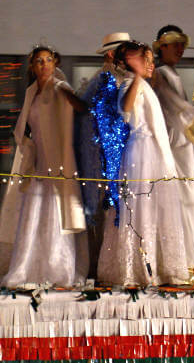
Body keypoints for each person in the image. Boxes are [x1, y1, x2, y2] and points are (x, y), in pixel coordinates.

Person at [0, 45, 89, 288]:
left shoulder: (58, 86)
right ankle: (29, 267)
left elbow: (80, 107)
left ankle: (57, 268)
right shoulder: (32, 92)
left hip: (56, 159)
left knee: (54, 211)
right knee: (33, 212)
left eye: (48, 60)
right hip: (37, 159)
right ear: (32, 67)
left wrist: (68, 96)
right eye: (39, 61)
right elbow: (25, 127)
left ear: (55, 64)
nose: (44, 65)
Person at [97, 41, 193, 286]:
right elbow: (125, 108)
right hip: (140, 153)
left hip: (154, 151)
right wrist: (138, 77)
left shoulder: (146, 86)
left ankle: (160, 265)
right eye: (145, 60)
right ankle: (137, 267)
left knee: (157, 207)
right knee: (141, 208)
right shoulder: (129, 83)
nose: (151, 65)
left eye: (151, 60)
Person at [152, 25, 194, 282]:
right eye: (174, 44)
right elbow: (179, 112)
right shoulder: (162, 75)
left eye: (181, 44)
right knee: (182, 206)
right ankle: (182, 265)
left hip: (183, 150)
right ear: (161, 47)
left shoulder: (171, 75)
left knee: (189, 205)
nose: (179, 49)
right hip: (175, 150)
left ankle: (190, 265)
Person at [74, 32, 130, 279]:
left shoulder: (118, 78)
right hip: (100, 156)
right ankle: (96, 266)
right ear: (112, 54)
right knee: (99, 209)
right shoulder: (102, 79)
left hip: (114, 153)